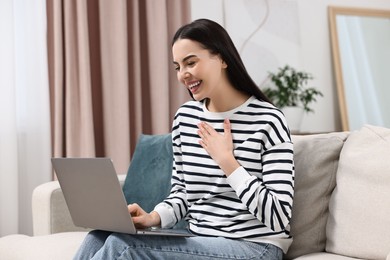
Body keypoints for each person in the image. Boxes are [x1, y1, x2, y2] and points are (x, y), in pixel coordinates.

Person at [74, 18, 294, 260]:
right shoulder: (186, 117)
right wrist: (153, 218)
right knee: (99, 236)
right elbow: (182, 193)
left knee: (123, 247)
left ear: (221, 59)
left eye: (191, 62)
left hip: (255, 246)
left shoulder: (268, 120)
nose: (183, 75)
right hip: (200, 238)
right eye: (178, 67)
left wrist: (228, 162)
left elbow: (279, 215)